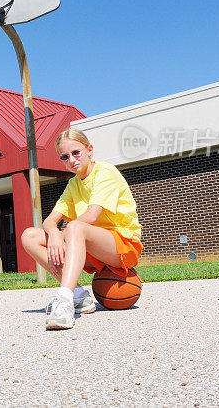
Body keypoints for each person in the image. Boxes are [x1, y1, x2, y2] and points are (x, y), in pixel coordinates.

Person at [21, 128, 143, 330]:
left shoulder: (105, 172)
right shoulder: (73, 184)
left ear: (89, 150)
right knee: (30, 236)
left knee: (75, 226)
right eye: (64, 156)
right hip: (88, 245)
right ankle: (79, 296)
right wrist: (53, 234)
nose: (71, 160)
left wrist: (63, 234)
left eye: (76, 152)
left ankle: (65, 300)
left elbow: (92, 216)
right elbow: (49, 221)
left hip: (123, 245)